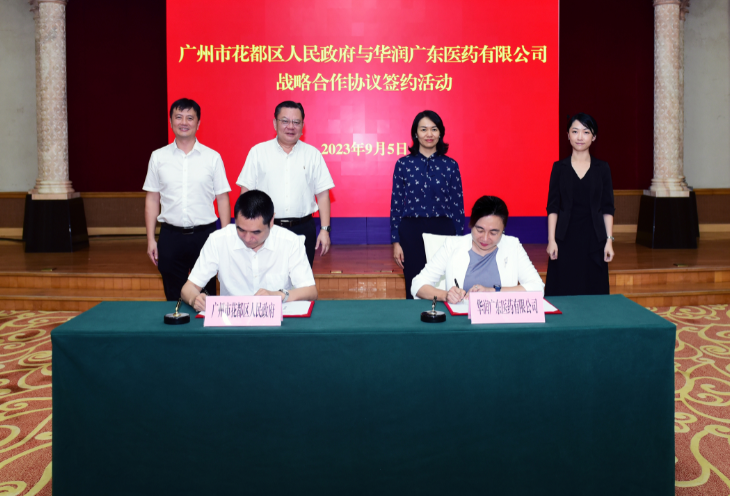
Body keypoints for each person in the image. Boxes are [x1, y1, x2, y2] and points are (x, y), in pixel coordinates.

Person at [143, 98, 231, 301]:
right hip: (170, 236)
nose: (184, 122)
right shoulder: (158, 157)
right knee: (173, 297)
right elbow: (152, 199)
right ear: (171, 121)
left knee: (207, 297)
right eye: (179, 117)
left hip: (204, 237)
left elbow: (222, 199)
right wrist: (150, 239)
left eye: (190, 118)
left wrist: (225, 238)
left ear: (198, 123)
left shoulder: (212, 157)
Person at [181, 190, 317, 312]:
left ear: (271, 222)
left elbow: (311, 291)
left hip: (276, 322)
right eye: (241, 230)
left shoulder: (290, 242)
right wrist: (195, 299)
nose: (247, 238)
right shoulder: (218, 240)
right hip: (231, 322)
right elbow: (188, 288)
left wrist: (278, 295)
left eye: (255, 232)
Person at [236, 101, 334, 267]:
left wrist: (325, 230)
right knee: (266, 278)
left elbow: (323, 195)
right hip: (267, 229)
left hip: (303, 229)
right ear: (275, 123)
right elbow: (246, 193)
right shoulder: (258, 152)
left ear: (302, 126)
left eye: (296, 122)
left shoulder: (313, 154)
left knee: (301, 279)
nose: (291, 126)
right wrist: (245, 229)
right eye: (285, 121)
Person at [390, 110, 464, 299]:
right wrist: (396, 241)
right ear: (415, 133)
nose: (429, 134)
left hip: (443, 229)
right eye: (423, 129)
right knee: (414, 284)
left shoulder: (451, 165)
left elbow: (457, 205)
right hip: (411, 231)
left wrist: (459, 240)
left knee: (444, 283)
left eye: (434, 129)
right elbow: (396, 204)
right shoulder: (403, 164)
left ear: (440, 133)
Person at [412, 196, 544, 302]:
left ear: (503, 230)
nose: (485, 238)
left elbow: (538, 287)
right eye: (480, 230)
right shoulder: (452, 245)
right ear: (471, 224)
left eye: (493, 233)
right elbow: (418, 285)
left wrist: (491, 291)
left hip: (501, 321)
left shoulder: (512, 246)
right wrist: (446, 295)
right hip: (461, 321)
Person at [545, 113, 615, 296]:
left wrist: (609, 241)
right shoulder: (559, 168)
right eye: (575, 131)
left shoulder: (602, 168)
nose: (580, 137)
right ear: (568, 135)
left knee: (594, 291)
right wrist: (551, 240)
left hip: (594, 239)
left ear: (594, 136)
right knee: (564, 289)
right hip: (565, 238)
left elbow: (608, 208)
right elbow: (553, 207)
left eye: (586, 132)